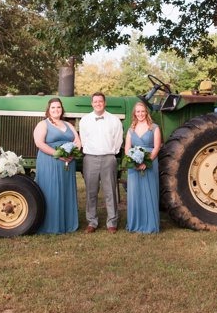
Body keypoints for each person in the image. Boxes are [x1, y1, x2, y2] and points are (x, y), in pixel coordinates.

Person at [33, 98, 82, 234]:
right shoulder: (43, 124)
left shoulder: (68, 125)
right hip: (50, 161)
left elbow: (77, 141)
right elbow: (39, 143)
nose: (56, 110)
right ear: (48, 110)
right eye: (53, 107)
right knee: (50, 191)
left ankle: (67, 223)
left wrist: (73, 152)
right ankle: (50, 224)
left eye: (58, 107)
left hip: (68, 162)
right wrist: (57, 154)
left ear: (62, 109)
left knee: (65, 190)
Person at [79, 92, 124, 233]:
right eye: (95, 101)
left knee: (110, 191)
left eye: (100, 101)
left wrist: (111, 152)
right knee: (91, 192)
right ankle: (92, 222)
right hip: (90, 158)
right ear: (92, 103)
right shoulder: (84, 120)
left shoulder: (114, 120)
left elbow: (118, 140)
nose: (98, 103)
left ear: (104, 103)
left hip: (108, 158)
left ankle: (112, 222)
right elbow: (84, 140)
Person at [124, 100, 161, 233]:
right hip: (134, 165)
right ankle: (135, 224)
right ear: (135, 113)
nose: (140, 114)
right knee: (135, 193)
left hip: (150, 163)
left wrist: (147, 161)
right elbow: (127, 148)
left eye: (143, 111)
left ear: (146, 112)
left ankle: (150, 224)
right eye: (138, 111)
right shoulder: (131, 129)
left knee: (149, 192)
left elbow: (156, 147)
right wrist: (134, 161)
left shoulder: (154, 127)